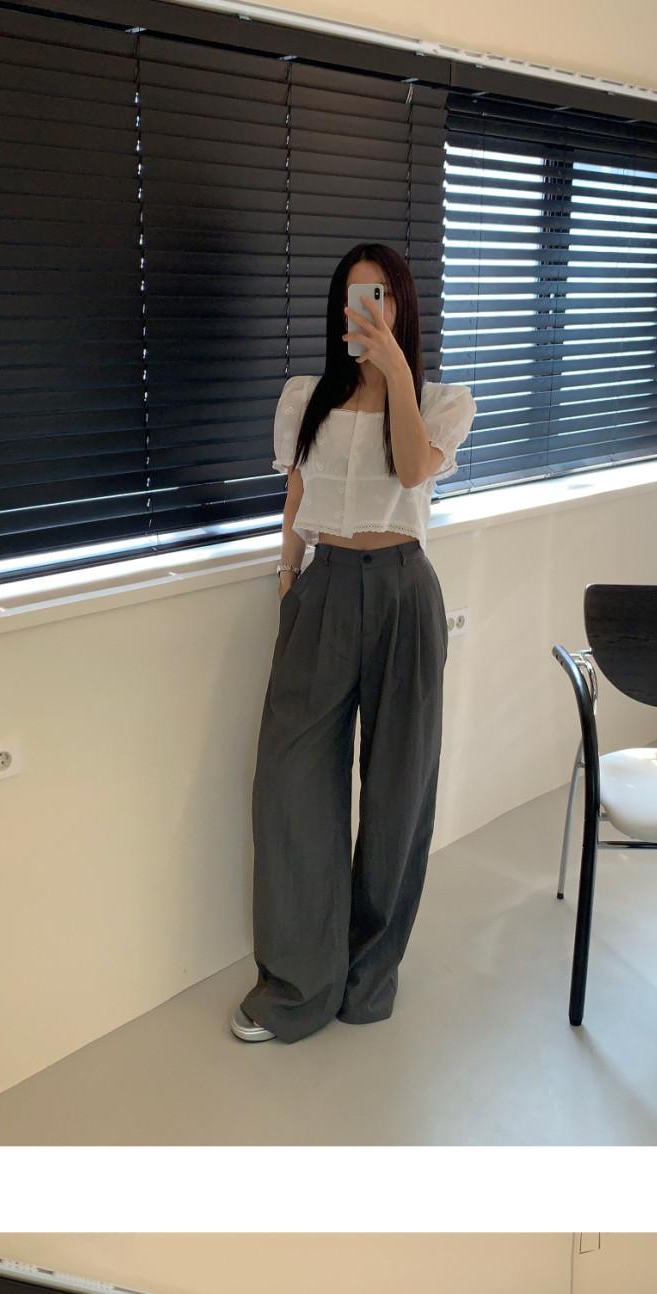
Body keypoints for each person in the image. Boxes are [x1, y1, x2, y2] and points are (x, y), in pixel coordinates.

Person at [231, 244, 475, 1047]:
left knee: (399, 788)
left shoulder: (442, 402)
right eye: (354, 295)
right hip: (323, 587)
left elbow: (409, 472)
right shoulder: (306, 397)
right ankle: (297, 984)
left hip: (404, 593)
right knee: (290, 786)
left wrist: (395, 369)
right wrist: (286, 579)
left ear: (402, 304)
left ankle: (369, 976)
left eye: (381, 295)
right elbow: (296, 494)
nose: (366, 308)